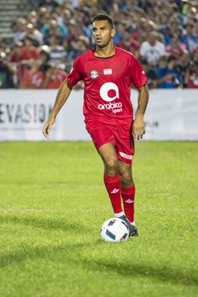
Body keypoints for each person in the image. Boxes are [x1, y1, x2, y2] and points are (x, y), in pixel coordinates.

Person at [42, 13, 149, 237]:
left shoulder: (127, 59)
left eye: (102, 29)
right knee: (111, 163)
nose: (97, 33)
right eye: (94, 30)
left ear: (112, 32)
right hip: (97, 120)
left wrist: (139, 117)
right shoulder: (83, 61)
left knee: (126, 173)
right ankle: (119, 217)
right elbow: (67, 84)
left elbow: (143, 87)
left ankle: (131, 221)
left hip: (123, 122)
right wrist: (53, 115)